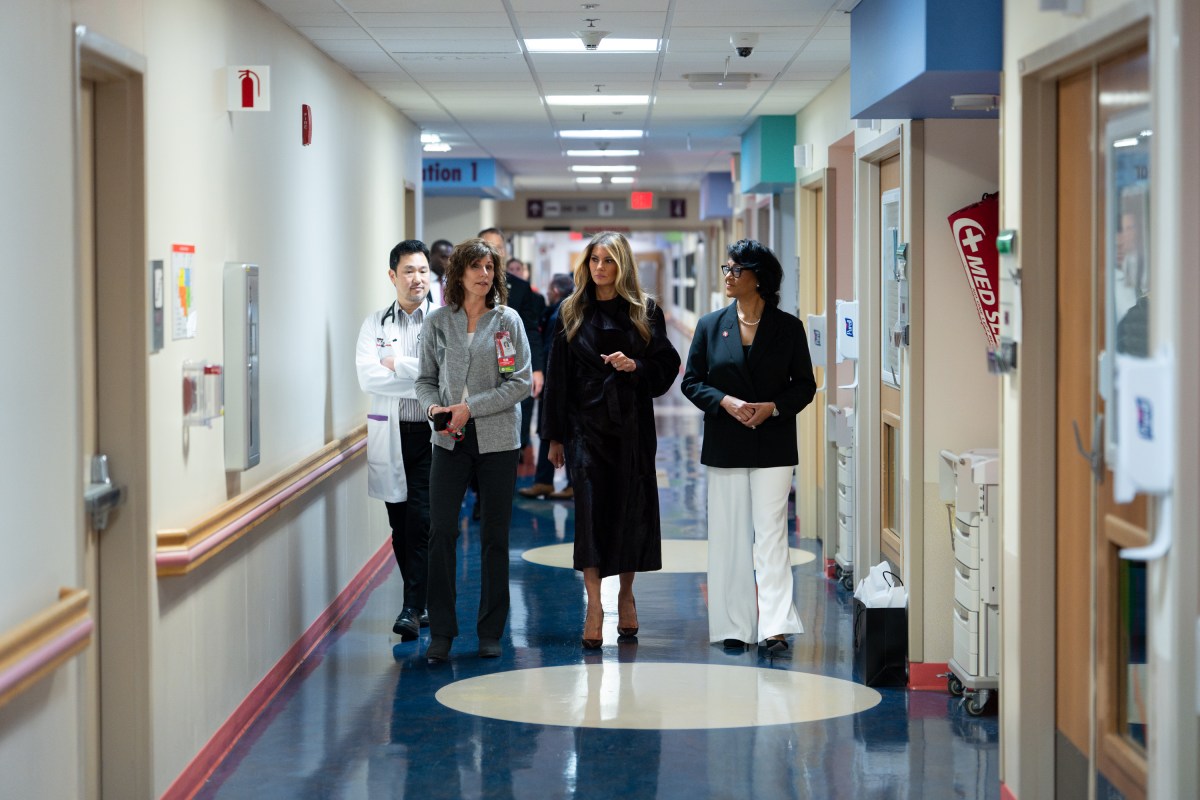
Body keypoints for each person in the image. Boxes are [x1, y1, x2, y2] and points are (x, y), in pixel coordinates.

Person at [541, 231, 681, 649]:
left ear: (623, 266)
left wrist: (634, 364)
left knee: (630, 511)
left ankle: (624, 593)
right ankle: (594, 604)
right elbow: (557, 377)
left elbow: (666, 364)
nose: (599, 268)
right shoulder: (570, 311)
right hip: (585, 426)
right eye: (593, 260)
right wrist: (553, 436)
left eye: (608, 261)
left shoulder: (644, 310)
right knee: (589, 514)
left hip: (631, 426)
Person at [680, 239, 817, 653]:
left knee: (772, 536)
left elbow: (805, 386)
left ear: (760, 278)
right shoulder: (710, 325)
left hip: (773, 445)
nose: (728, 275)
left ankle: (774, 626)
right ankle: (734, 625)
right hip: (725, 442)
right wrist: (724, 401)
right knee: (729, 536)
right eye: (727, 268)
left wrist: (773, 407)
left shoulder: (788, 327)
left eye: (736, 269)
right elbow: (691, 381)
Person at [416, 237, 532, 663]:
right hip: (448, 440)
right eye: (476, 267)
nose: (485, 275)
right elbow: (425, 378)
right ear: (458, 274)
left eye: (490, 268)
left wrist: (470, 408)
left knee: (494, 538)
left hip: (498, 441)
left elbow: (519, 383)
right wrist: (433, 406)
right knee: (442, 532)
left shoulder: (508, 321)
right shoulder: (438, 323)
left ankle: (490, 631)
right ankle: (442, 632)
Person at [355, 240, 436, 641]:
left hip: (431, 434)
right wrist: (418, 377)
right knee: (400, 524)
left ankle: (411, 606)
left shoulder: (443, 319)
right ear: (393, 276)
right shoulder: (375, 324)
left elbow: (444, 377)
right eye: (409, 271)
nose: (417, 278)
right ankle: (419, 603)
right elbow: (368, 377)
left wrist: (399, 366)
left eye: (423, 270)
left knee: (422, 519)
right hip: (392, 435)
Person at [481, 228, 545, 454]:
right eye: (488, 246)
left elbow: (530, 329)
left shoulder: (519, 287)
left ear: (505, 252)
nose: (493, 252)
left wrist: (536, 369)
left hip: (512, 366)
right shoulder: (467, 284)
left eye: (498, 247)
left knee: (515, 432)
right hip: (479, 369)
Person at [519, 272, 576, 500]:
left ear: (554, 291)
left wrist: (542, 376)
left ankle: (567, 482)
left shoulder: (561, 313)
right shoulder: (557, 311)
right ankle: (544, 481)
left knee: (556, 430)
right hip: (555, 384)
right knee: (547, 430)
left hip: (556, 384)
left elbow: (551, 351)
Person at [428, 239, 453, 306]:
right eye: (444, 257)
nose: (448, 262)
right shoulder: (422, 281)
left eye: (450, 258)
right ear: (430, 256)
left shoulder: (453, 283)